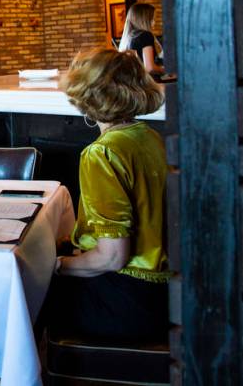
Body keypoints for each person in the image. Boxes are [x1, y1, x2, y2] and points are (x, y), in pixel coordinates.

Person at [42, 48, 170, 341]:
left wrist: (59, 266)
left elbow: (112, 258)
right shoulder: (149, 137)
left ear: (86, 96)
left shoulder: (102, 153)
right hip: (163, 292)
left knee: (33, 290)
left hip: (128, 302)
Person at [118, 3, 164, 75]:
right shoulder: (146, 35)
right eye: (152, 19)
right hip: (147, 82)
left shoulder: (129, 37)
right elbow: (150, 68)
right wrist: (165, 70)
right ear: (143, 19)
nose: (154, 22)